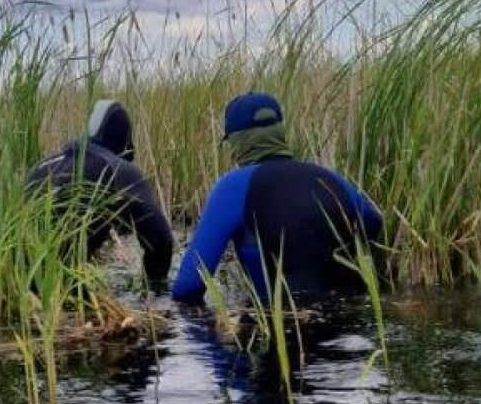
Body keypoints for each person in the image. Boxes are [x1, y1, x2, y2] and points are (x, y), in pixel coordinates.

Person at [172, 92, 383, 306]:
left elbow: (187, 286)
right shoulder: (331, 178)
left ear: (238, 141)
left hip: (278, 324)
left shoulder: (232, 187)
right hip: (347, 328)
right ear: (280, 132)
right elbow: (374, 222)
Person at [25, 100, 175, 284]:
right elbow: (161, 241)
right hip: (66, 286)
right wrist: (154, 287)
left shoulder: (41, 167)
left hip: (17, 282)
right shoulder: (118, 169)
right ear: (126, 145)